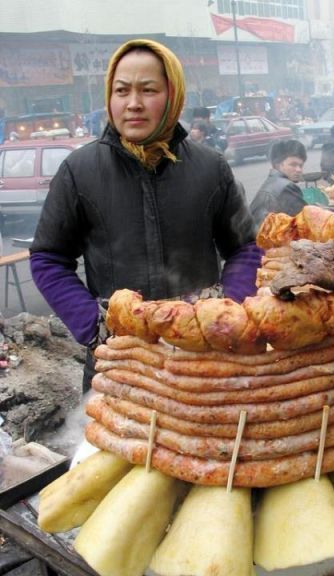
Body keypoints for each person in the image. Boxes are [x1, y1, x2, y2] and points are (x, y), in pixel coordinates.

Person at [29, 38, 262, 392]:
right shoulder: (79, 170)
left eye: (148, 90)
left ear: (173, 95)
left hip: (201, 356)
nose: (133, 104)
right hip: (118, 358)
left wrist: (226, 313)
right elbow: (48, 257)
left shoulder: (210, 167)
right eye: (121, 90)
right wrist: (95, 326)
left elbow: (244, 248)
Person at [249, 139, 307, 232]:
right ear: (277, 165)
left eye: (301, 166)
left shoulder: (272, 181)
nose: (299, 170)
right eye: (293, 164)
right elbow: (306, 220)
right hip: (264, 243)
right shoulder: (287, 187)